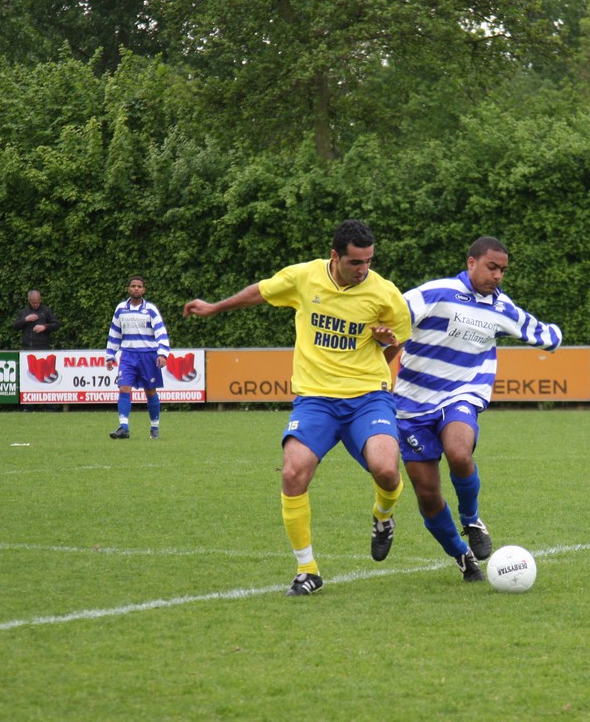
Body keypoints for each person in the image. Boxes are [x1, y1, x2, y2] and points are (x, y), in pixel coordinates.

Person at [183, 219, 411, 597]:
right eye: (355, 262)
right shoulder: (304, 277)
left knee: (387, 470)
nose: (363, 269)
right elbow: (261, 292)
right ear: (335, 256)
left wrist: (382, 344)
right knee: (292, 473)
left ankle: (383, 517)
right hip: (315, 399)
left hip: (368, 397)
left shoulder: (386, 294)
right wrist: (215, 307)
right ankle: (307, 570)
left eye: (369, 261)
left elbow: (398, 339)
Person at [386, 237, 562, 582]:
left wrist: (553, 335)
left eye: (503, 270)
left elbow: (545, 335)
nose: (498, 276)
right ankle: (462, 556)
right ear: (471, 263)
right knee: (428, 495)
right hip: (411, 404)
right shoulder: (436, 292)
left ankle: (472, 520)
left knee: (459, 452)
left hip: (461, 394)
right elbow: (392, 314)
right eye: (492, 267)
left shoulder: (502, 308)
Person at [105, 276, 170, 440]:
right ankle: (124, 428)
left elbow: (161, 332)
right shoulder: (121, 309)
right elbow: (115, 333)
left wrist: (162, 353)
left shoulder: (150, 310)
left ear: (143, 290)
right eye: (133, 286)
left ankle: (154, 428)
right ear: (128, 288)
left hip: (148, 355)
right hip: (128, 355)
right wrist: (110, 355)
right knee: (123, 388)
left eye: (139, 286)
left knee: (150, 391)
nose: (136, 288)